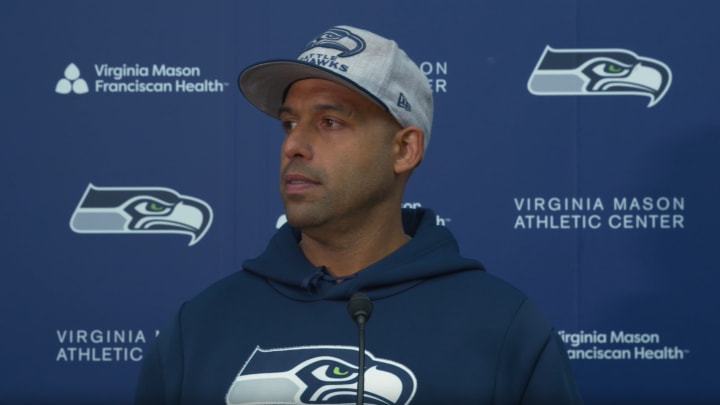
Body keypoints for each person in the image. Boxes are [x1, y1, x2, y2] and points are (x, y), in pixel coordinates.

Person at [134, 25, 582, 404]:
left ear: (404, 149)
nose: (293, 145)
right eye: (289, 123)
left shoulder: (504, 329)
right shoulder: (198, 328)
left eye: (330, 122)